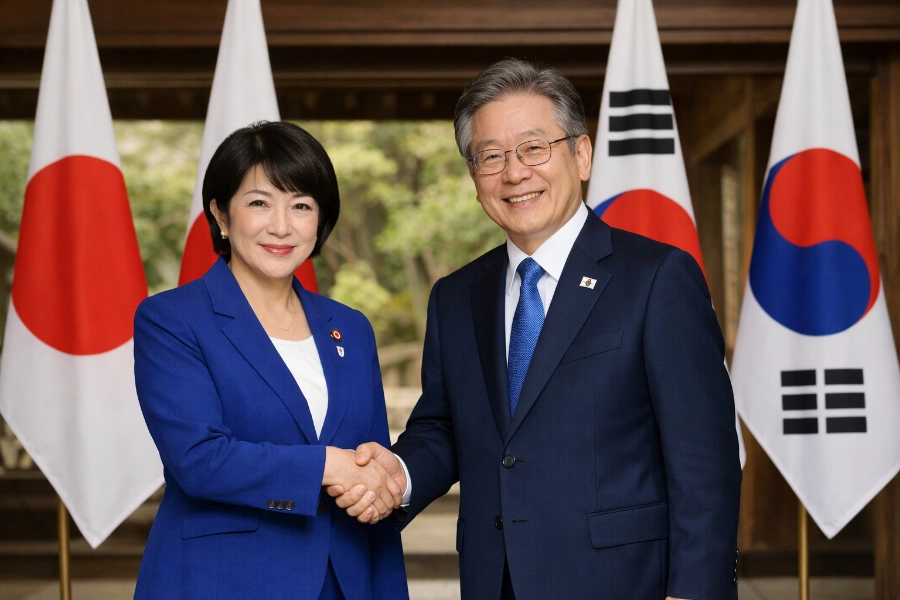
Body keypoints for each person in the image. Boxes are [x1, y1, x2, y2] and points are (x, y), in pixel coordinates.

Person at [330, 59, 742, 599]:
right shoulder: (455, 297)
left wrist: (694, 591)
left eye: (533, 148)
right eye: (491, 156)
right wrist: (398, 476)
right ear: (475, 177)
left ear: (582, 154)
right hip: (494, 579)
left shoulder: (658, 277)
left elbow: (704, 460)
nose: (514, 172)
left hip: (626, 582)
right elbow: (447, 429)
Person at [133, 121, 408, 600]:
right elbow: (198, 460)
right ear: (221, 213)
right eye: (259, 202)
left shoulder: (351, 328)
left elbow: (370, 470)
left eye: (301, 205)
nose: (281, 226)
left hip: (345, 579)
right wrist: (326, 465)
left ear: (320, 219)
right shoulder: (172, 319)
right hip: (221, 581)